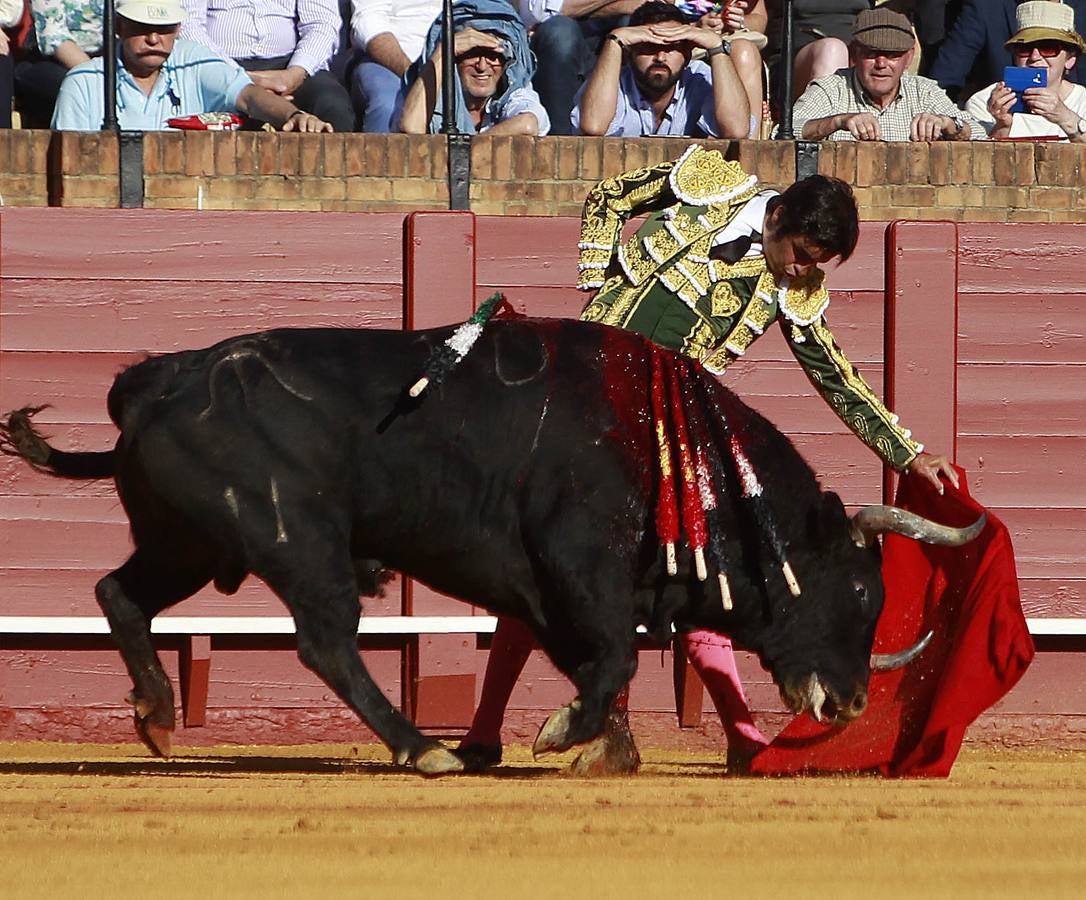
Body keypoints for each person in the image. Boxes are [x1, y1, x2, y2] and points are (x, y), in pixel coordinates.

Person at [456, 143, 959, 774]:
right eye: (801, 255)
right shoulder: (707, 183)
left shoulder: (790, 291)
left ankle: (742, 737)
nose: (802, 273)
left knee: (693, 578)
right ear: (777, 219)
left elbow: (833, 374)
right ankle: (485, 729)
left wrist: (907, 453)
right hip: (584, 402)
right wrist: (605, 282)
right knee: (538, 569)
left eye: (816, 265)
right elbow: (610, 198)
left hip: (666, 434)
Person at [52, 0, 333, 132]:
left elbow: (248, 95)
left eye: (164, 28)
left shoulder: (194, 62)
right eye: (142, 28)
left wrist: (293, 115)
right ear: (120, 27)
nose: (153, 38)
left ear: (177, 28)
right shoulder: (83, 82)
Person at [790, 6, 985, 140]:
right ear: (855, 53)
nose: (881, 63)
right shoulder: (832, 88)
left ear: (909, 57)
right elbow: (786, 131)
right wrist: (838, 121)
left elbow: (980, 133)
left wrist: (947, 124)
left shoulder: (924, 91)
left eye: (892, 55)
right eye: (871, 53)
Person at [572, 0, 750, 137]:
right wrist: (614, 40)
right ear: (629, 53)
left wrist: (717, 47)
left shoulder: (699, 76)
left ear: (686, 55)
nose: (660, 57)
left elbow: (736, 130)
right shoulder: (611, 81)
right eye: (649, 47)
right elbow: (593, 126)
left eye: (671, 48)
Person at [179, 0, 354, 133]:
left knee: (332, 103)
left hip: (291, 65)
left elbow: (321, 24)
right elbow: (187, 23)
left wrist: (293, 75)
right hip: (219, 63)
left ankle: (331, 180)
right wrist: (236, 78)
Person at [399, 9, 549, 135]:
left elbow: (527, 123)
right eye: (472, 54)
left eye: (493, 56)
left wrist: (465, 151)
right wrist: (444, 50)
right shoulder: (422, 87)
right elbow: (412, 129)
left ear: (507, 63)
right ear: (455, 59)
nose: (482, 66)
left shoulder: (514, 90)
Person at [966, 0, 1086, 138]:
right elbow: (977, 157)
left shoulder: (1083, 102)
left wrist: (1066, 118)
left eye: (1048, 47)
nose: (1035, 56)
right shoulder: (984, 102)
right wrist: (1002, 127)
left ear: (1070, 59)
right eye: (1024, 48)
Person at [931, 0, 1086, 103]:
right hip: (999, 115)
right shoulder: (987, 7)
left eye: (1048, 47)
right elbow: (945, 79)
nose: (1035, 56)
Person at [349, 0, 441, 133]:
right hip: (388, 62)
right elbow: (368, 21)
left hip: (450, 57)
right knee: (389, 104)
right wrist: (414, 75)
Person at [13, 0, 104, 127]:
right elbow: (54, 36)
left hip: (106, 59)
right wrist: (98, 78)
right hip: (53, 59)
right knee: (76, 89)